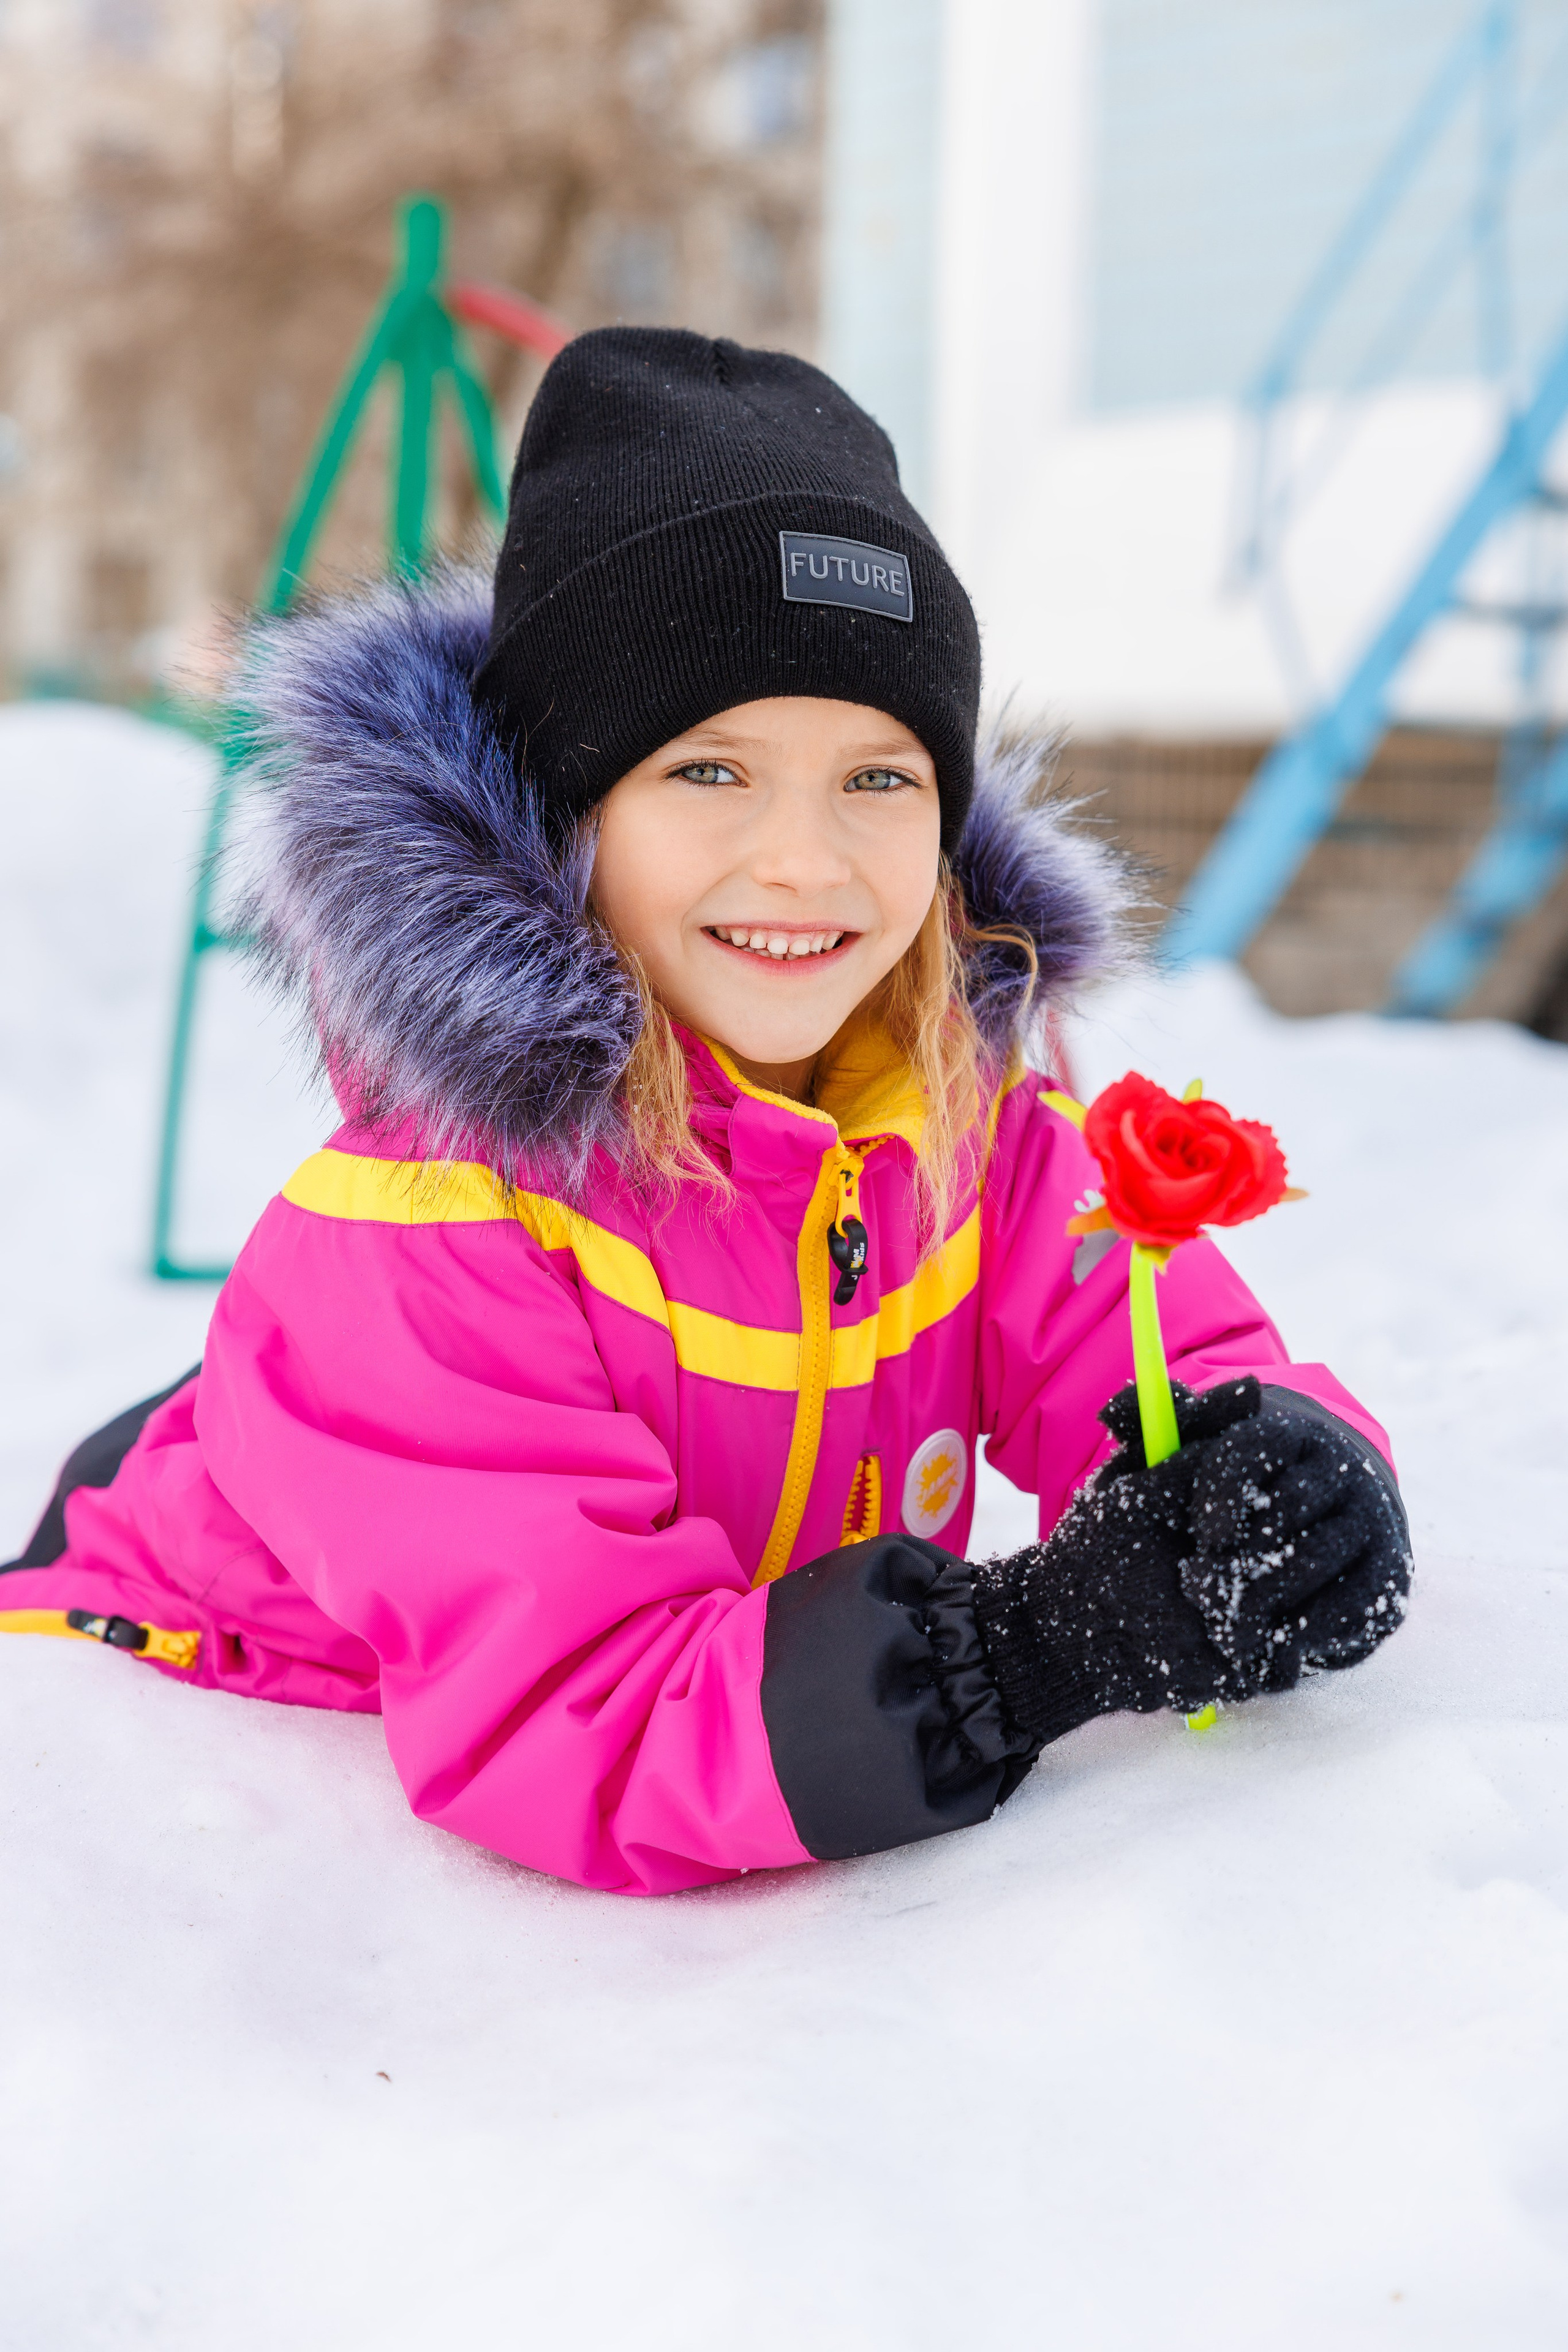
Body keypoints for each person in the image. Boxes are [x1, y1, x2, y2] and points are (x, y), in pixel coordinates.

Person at [0, 330, 1411, 1894]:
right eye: (711, 773)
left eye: (877, 778)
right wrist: (1018, 1658)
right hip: (190, 1728)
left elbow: (1173, 1364)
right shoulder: (430, 1235)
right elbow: (573, 1719)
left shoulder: (965, 1130)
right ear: (561, 815)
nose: (806, 862)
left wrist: (1276, 1477)